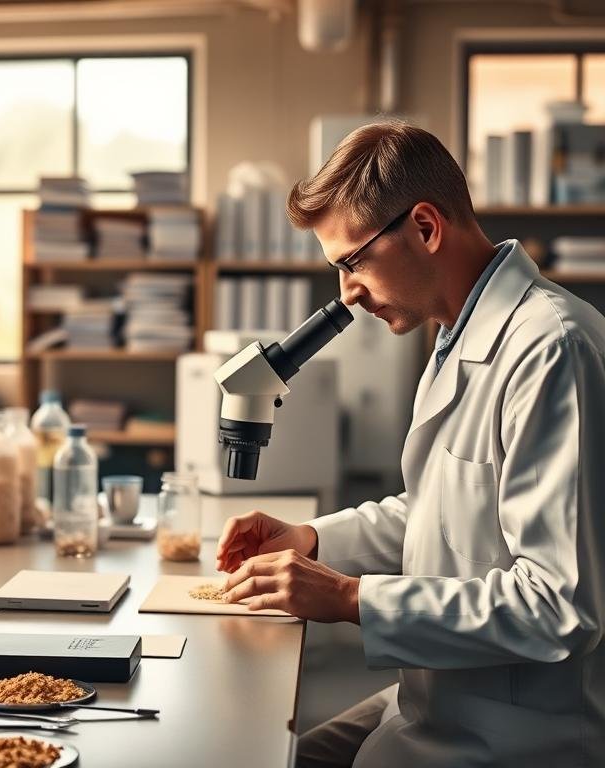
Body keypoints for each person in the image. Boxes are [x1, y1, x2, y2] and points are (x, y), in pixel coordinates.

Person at [215, 121, 605, 768]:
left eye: (352, 262)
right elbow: (437, 514)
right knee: (271, 754)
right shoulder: (456, 332)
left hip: (511, 736)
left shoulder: (551, 350)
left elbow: (558, 606)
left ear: (424, 227)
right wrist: (312, 541)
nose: (346, 293)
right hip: (433, 700)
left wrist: (348, 599)